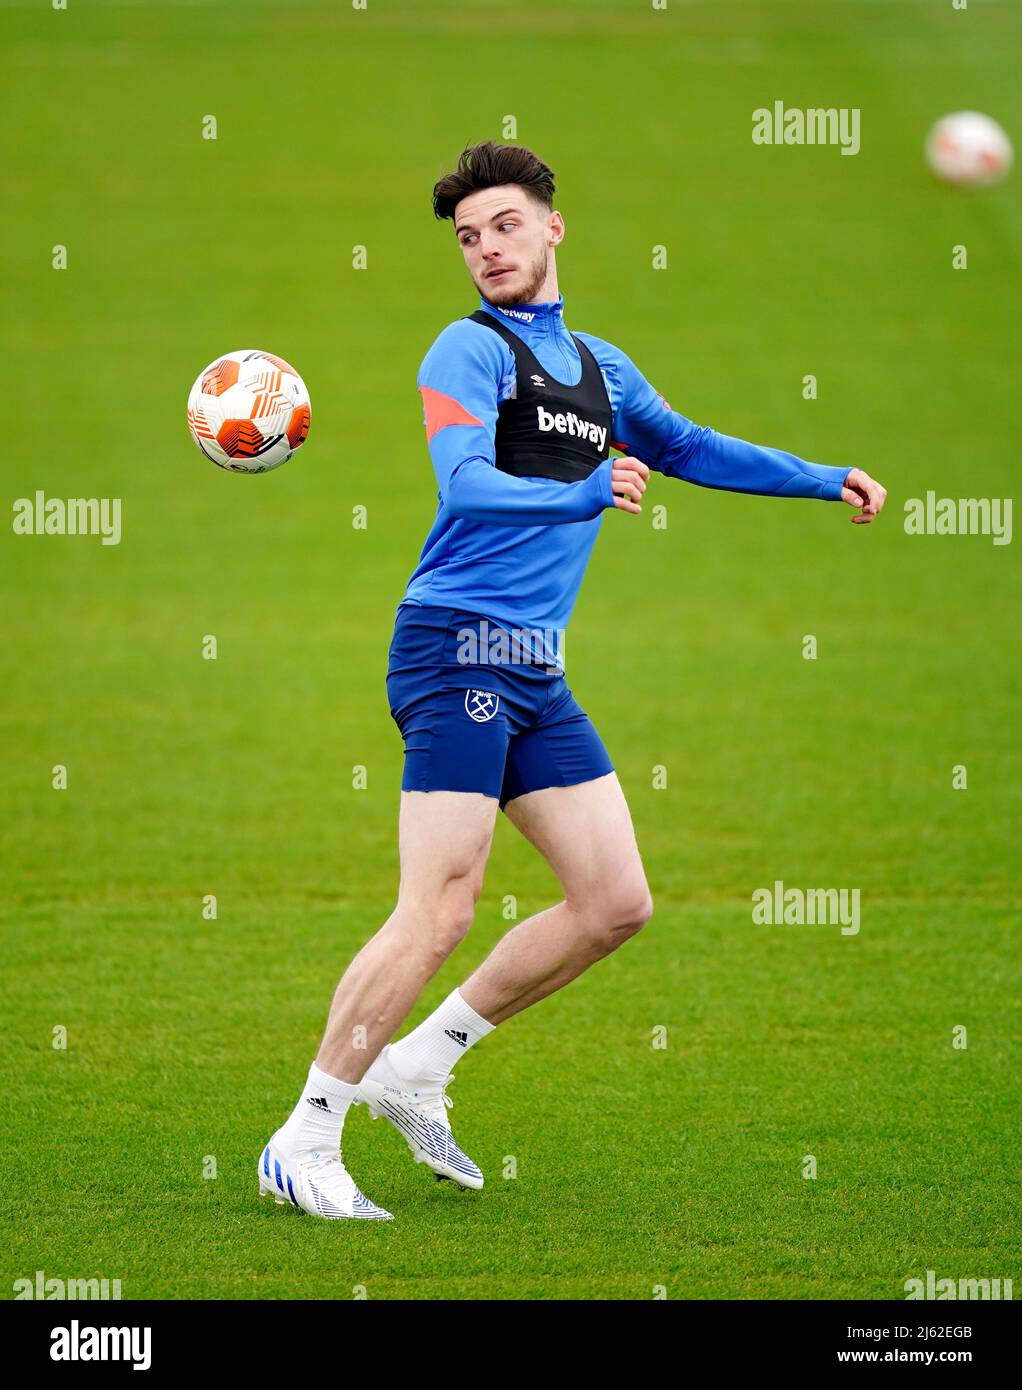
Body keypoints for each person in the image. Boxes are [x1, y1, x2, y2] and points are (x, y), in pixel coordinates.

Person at [258, 141, 887, 1220]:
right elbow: (462, 485)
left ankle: (418, 1065)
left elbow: (688, 446)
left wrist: (821, 477)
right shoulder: (463, 353)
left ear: (551, 227)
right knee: (439, 906)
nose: (485, 250)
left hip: (531, 667)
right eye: (466, 238)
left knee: (613, 902)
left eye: (503, 226)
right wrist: (583, 490)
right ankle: (305, 1133)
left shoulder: (598, 367)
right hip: (452, 644)